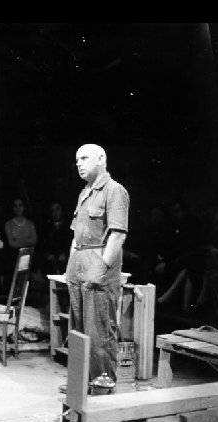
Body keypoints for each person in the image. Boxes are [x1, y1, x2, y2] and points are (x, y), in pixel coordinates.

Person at [65, 144, 129, 385]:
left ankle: (102, 386)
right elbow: (76, 235)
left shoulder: (114, 191)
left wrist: (100, 270)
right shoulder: (85, 193)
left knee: (100, 331)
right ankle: (80, 385)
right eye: (77, 159)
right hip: (78, 264)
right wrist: (71, 265)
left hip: (97, 264)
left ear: (101, 158)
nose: (79, 163)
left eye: (84, 158)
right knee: (78, 330)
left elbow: (118, 234)